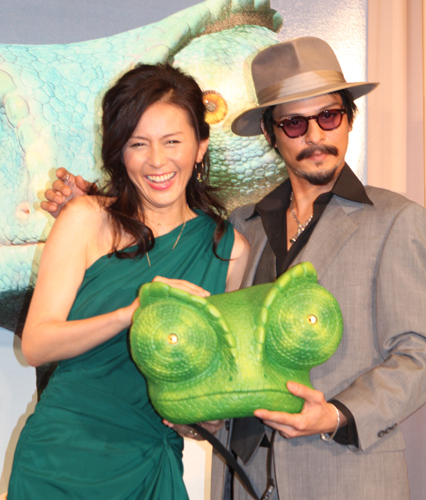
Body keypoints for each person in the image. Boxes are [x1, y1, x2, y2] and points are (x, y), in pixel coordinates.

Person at [41, 37, 426, 500]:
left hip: (346, 479)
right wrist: (100, 208)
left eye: (328, 116)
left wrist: (336, 415)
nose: (314, 135)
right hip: (242, 483)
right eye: (293, 122)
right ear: (269, 133)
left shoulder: (397, 220)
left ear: (348, 119)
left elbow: (419, 354)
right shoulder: (240, 230)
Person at [8, 63, 249, 499]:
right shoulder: (86, 219)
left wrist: (204, 418)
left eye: (172, 141)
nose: (157, 160)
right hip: (58, 462)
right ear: (121, 152)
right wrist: (130, 314)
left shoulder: (229, 252)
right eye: (138, 143)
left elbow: (206, 401)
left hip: (149, 466)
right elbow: (36, 345)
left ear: (200, 146)